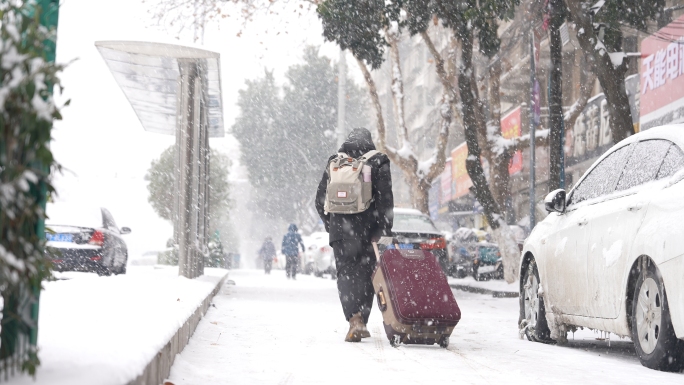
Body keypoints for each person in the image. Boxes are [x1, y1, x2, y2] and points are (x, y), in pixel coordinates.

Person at [315, 128, 394, 342]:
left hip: (340, 233)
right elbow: (385, 200)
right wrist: (384, 232)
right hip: (368, 232)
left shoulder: (335, 161)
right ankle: (362, 320)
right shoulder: (377, 161)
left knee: (346, 275)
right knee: (367, 274)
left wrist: (330, 224)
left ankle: (354, 319)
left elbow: (319, 199)